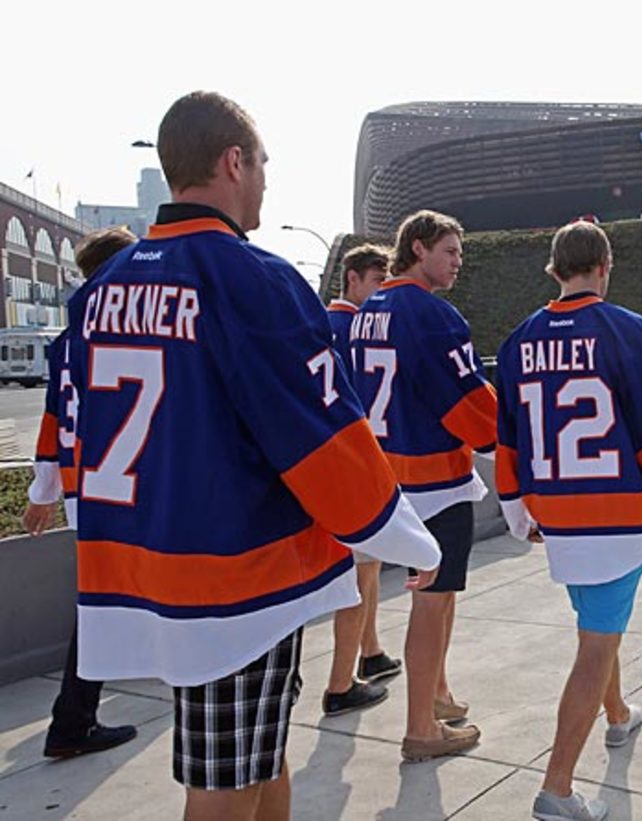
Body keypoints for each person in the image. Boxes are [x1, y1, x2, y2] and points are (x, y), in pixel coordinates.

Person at [66, 91, 441, 821]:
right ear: (233, 161)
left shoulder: (104, 288)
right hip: (230, 579)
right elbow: (324, 442)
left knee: (258, 756)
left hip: (145, 559)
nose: (266, 177)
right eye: (263, 160)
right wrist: (404, 533)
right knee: (223, 787)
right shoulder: (251, 277)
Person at [495, 220, 642, 821]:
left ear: (554, 270)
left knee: (596, 625)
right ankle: (555, 789)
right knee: (595, 645)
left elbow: (507, 437)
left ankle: (618, 715)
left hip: (557, 510)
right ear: (605, 266)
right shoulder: (629, 330)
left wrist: (515, 507)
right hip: (619, 514)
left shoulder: (517, 342)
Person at [351, 209, 495, 761]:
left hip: (385, 476)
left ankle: (434, 692)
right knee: (432, 602)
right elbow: (466, 403)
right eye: (450, 251)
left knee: (434, 595)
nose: (458, 262)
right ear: (417, 247)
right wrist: (511, 439)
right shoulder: (432, 315)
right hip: (434, 478)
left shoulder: (368, 310)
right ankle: (420, 729)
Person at [23, 226, 139, 760]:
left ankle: (77, 715)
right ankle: (73, 720)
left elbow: (53, 418)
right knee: (100, 603)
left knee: (106, 596)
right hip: (121, 486)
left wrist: (43, 489)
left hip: (84, 484)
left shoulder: (68, 338)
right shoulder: (120, 331)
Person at [322, 243, 400, 716]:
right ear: (352, 279)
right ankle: (339, 680)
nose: (380, 292)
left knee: (368, 568)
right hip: (354, 463)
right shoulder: (347, 328)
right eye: (375, 282)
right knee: (358, 571)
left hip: (350, 461)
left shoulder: (334, 325)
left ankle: (369, 651)